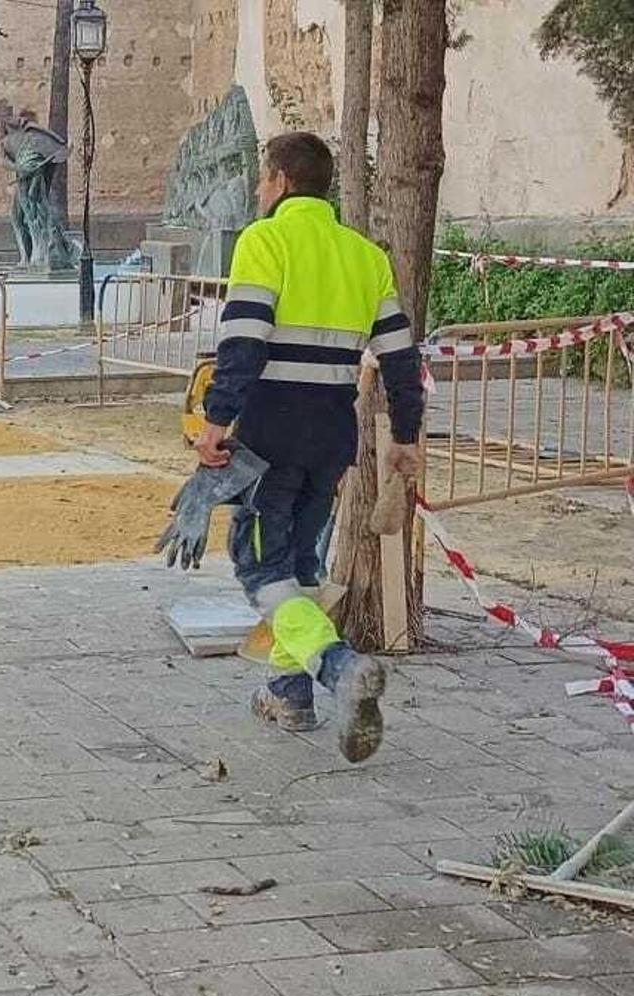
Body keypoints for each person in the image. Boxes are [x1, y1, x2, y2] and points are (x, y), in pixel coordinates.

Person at [194, 131, 424, 761]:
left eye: (264, 179)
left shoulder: (263, 241)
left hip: (269, 437)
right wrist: (405, 434)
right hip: (331, 439)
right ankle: (289, 695)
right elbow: (402, 361)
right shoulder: (364, 256)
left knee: (260, 567)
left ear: (281, 180)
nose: (260, 190)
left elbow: (244, 341)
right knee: (298, 568)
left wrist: (217, 419)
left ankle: (338, 667)